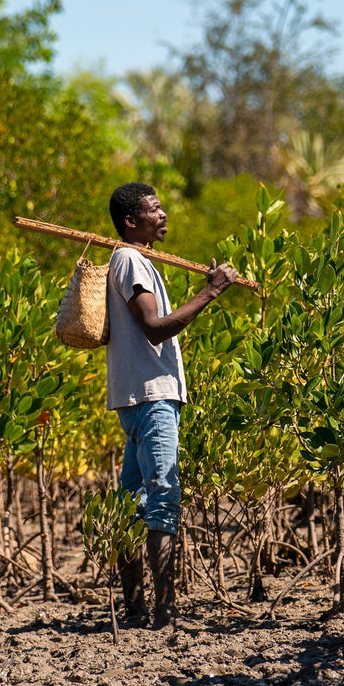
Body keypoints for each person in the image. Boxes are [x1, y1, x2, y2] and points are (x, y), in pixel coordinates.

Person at [104, 182, 237, 628]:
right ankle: (162, 611)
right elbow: (156, 328)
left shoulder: (133, 259)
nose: (163, 216)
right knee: (162, 500)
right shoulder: (128, 259)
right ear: (130, 221)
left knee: (129, 503)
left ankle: (136, 608)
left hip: (140, 396)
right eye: (154, 210)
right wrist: (211, 292)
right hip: (151, 397)